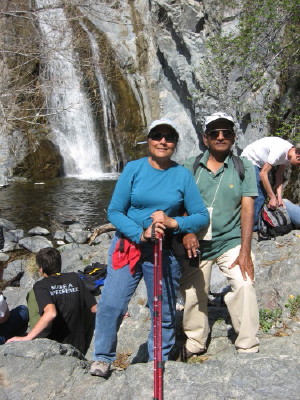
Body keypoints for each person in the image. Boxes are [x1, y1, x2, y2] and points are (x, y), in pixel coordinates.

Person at [90, 118, 209, 378]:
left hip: (164, 250)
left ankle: (159, 359)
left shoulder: (182, 175)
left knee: (163, 309)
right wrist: (140, 233)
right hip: (128, 247)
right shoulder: (133, 169)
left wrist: (173, 222)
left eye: (168, 137)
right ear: (149, 140)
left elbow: (201, 215)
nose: (162, 141)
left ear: (175, 144)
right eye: (157, 135)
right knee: (111, 304)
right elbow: (115, 211)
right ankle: (102, 357)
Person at [180, 112, 260, 359]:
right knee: (192, 293)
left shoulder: (244, 166)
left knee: (244, 283)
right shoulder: (190, 167)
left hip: (231, 241)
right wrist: (186, 232)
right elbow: (180, 204)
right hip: (197, 243)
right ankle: (195, 340)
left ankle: (247, 343)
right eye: (215, 133)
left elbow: (248, 210)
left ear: (234, 137)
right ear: (205, 139)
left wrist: (245, 251)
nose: (221, 137)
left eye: (226, 132)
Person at [7, 247, 97, 355]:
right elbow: (94, 308)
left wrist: (28, 337)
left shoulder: (41, 286)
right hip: (79, 345)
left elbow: (51, 313)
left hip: (55, 347)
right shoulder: (74, 278)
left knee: (32, 297)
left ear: (40, 269)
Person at [241, 137, 300, 230]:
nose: (297, 166)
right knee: (259, 195)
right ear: (298, 157)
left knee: (263, 194)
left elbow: (279, 175)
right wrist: (272, 197)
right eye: (299, 164)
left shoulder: (288, 156)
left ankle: (253, 224)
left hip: (259, 164)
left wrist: (279, 198)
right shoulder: (280, 150)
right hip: (250, 159)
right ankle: (252, 228)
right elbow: (263, 174)